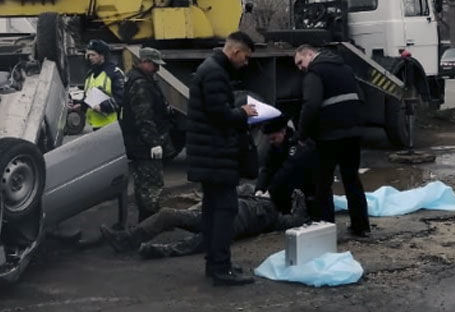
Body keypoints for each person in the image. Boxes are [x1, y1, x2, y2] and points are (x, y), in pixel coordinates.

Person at [186, 31, 259, 285]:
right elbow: (219, 114)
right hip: (216, 155)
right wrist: (243, 112)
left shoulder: (211, 68)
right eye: (246, 57)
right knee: (225, 210)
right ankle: (220, 268)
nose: (246, 63)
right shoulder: (215, 73)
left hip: (210, 155)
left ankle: (216, 263)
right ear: (236, 52)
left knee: (213, 209)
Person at [102, 185, 308, 258]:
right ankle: (127, 239)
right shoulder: (251, 192)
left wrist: (300, 201)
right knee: (167, 214)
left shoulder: (272, 216)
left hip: (226, 226)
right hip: (212, 214)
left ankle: (157, 251)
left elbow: (295, 221)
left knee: (195, 243)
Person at [294, 44, 370, 237]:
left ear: (309, 54)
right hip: (353, 132)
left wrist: (302, 135)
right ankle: (361, 227)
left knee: (323, 183)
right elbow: (361, 97)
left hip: (329, 136)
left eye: (300, 62)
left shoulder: (315, 72)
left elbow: (310, 105)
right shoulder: (345, 69)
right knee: (352, 179)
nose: (300, 68)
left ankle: (326, 229)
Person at [118, 46, 173, 223]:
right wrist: (153, 143)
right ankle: (149, 225)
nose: (157, 68)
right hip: (143, 145)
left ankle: (149, 222)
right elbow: (144, 117)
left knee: (145, 185)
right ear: (145, 62)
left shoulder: (141, 79)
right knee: (150, 186)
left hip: (139, 143)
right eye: (155, 64)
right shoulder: (141, 83)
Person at [255, 116, 314, 215]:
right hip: (284, 187)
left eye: (274, 138)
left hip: (305, 186)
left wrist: (270, 191)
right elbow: (267, 168)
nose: (271, 142)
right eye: (269, 140)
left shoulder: (297, 143)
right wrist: (259, 189)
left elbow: (288, 168)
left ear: (283, 131)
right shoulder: (274, 147)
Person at [81, 39, 120, 130]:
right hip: (95, 125)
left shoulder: (114, 73)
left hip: (111, 126)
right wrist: (80, 105)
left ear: (102, 56)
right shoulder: (90, 74)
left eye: (93, 55)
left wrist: (102, 107)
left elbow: (121, 98)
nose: (90, 57)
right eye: (88, 55)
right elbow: (88, 97)